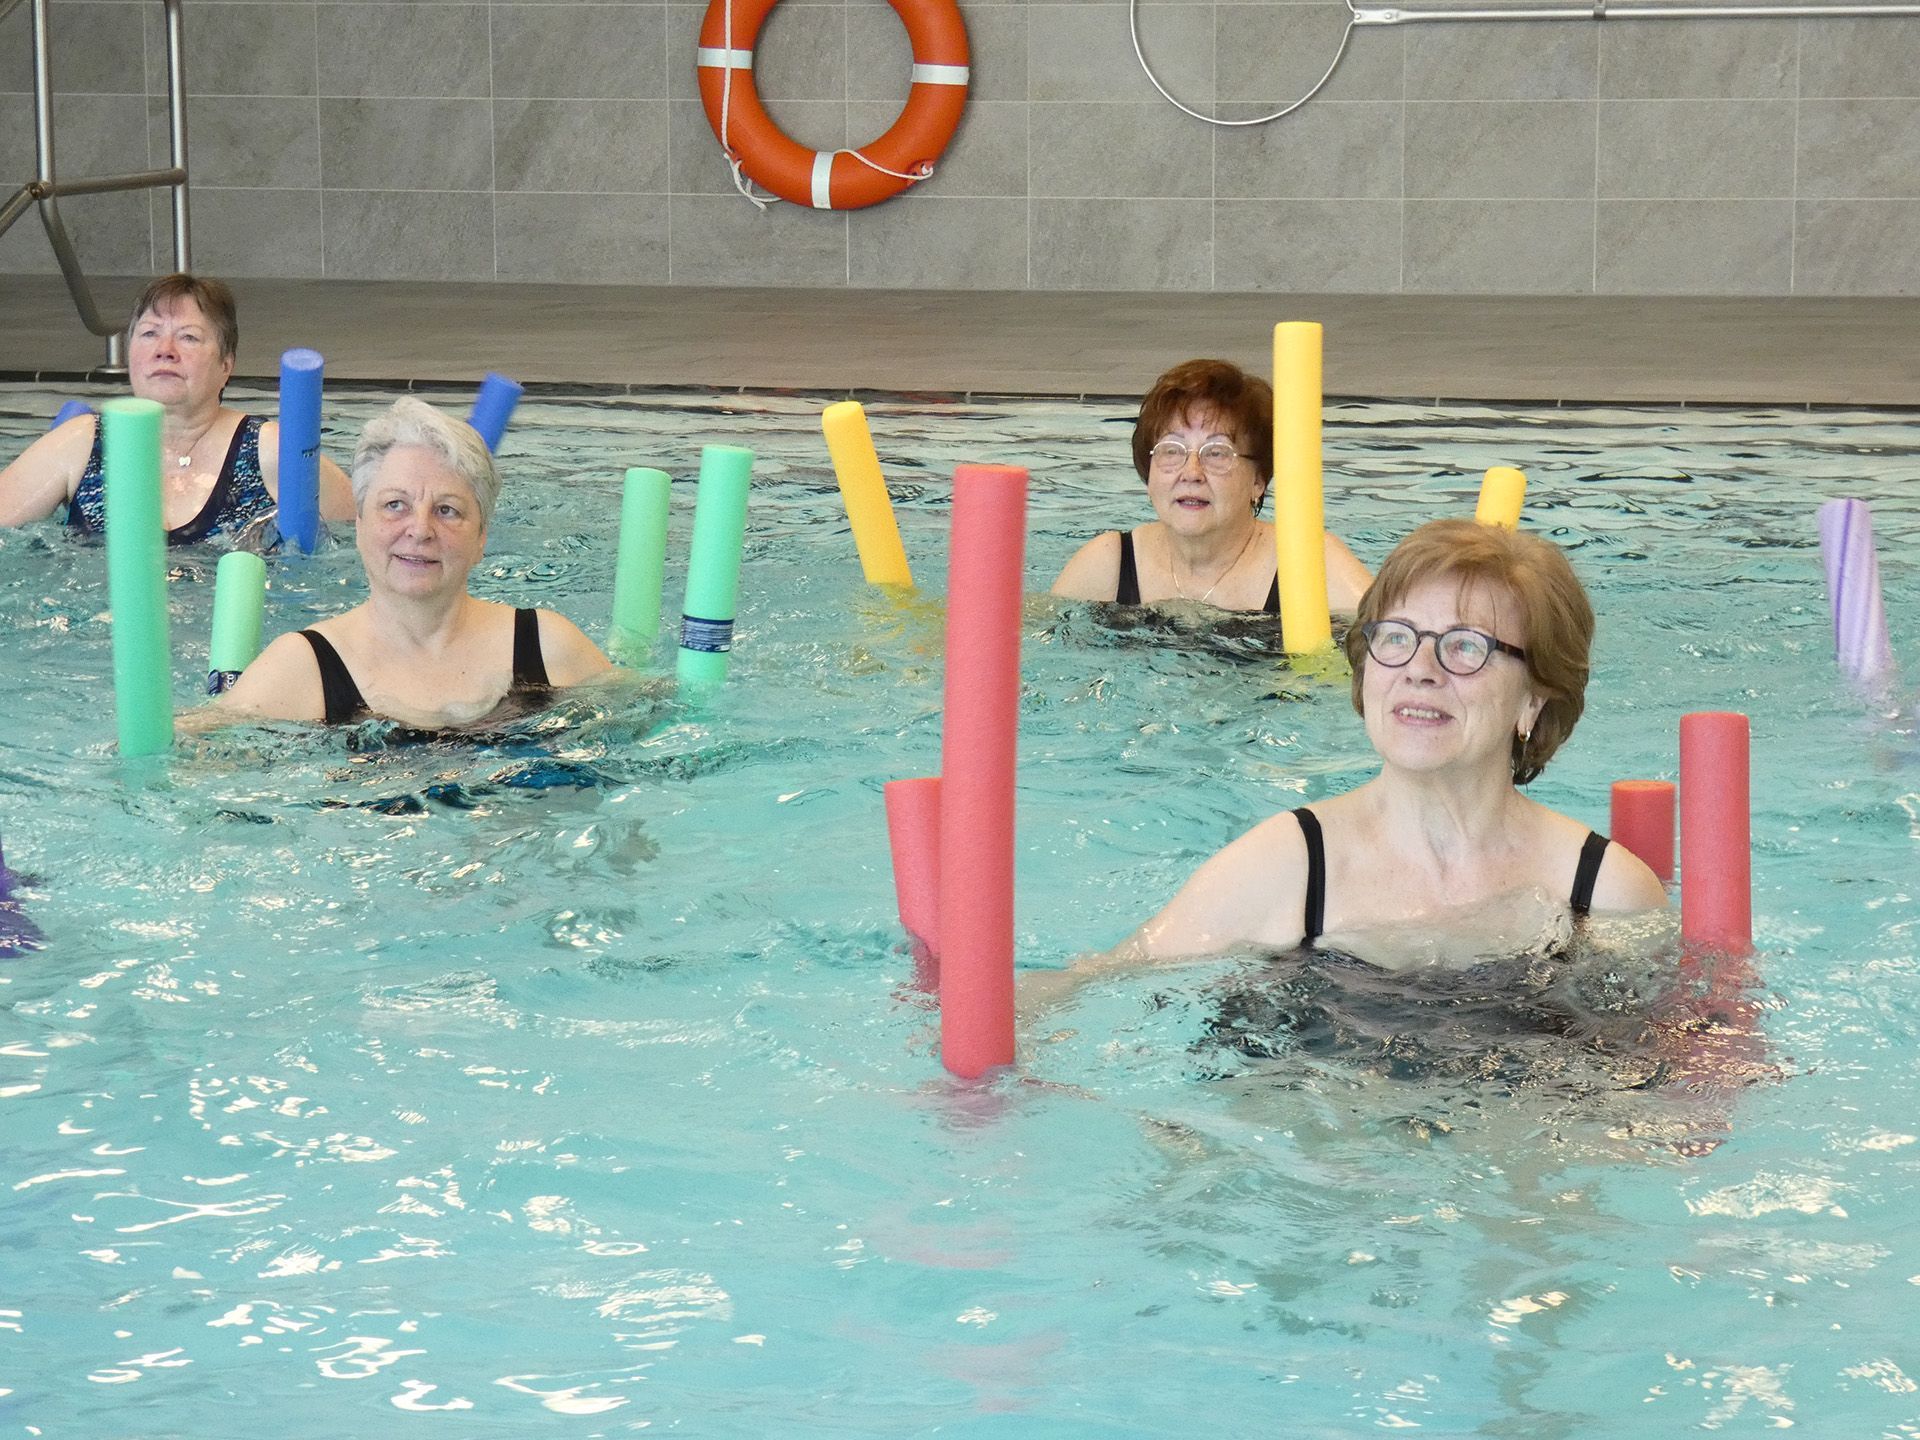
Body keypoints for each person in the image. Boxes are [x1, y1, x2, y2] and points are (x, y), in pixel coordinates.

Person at [1065, 519, 1668, 979]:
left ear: (1534, 697)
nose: (1419, 670)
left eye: (1465, 647)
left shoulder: (1604, 893)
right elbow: (1101, 981)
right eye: (1397, 638)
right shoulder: (1287, 868)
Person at [213, 397, 611, 729]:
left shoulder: (548, 647)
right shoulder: (301, 670)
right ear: (361, 524)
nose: (420, 530)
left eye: (448, 510)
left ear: (482, 537)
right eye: (395, 505)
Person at [0, 273, 354, 544]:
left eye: (188, 337)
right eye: (150, 333)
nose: (165, 350)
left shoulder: (274, 453)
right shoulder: (80, 443)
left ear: (226, 365)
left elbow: (368, 539)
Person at [1051, 359, 1371, 614]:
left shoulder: (1311, 563)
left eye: (1216, 453)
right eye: (1172, 450)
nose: (1191, 472)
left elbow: (1391, 647)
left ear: (1258, 480)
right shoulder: (1109, 564)